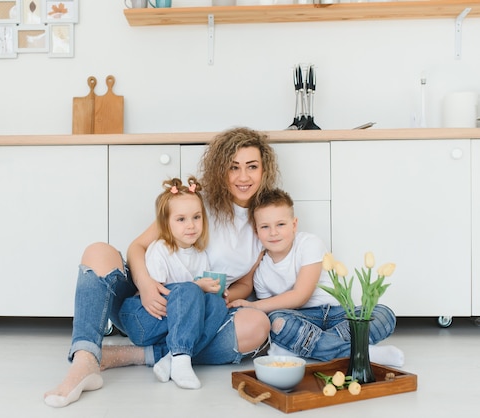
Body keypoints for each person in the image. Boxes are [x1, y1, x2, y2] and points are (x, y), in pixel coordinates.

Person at [44, 127, 279, 408]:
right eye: (234, 167)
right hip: (151, 304)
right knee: (98, 251)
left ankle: (139, 355)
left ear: (264, 171)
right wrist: (144, 285)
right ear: (220, 170)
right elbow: (137, 247)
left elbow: (246, 283)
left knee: (258, 325)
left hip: (201, 312)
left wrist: (227, 297)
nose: (243, 177)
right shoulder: (194, 203)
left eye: (252, 167)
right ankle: (85, 360)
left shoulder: (264, 223)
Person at [229, 188, 404, 367]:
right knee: (277, 322)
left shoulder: (309, 243)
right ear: (256, 231)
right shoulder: (261, 273)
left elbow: (300, 295)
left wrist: (253, 305)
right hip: (301, 318)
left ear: (294, 225)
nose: (273, 232)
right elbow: (272, 310)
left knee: (383, 314)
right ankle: (362, 353)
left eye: (281, 224)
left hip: (338, 314)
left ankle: (306, 346)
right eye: (265, 226)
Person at [118, 176, 227, 390]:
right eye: (181, 219)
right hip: (145, 318)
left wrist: (212, 291)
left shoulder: (200, 254)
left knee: (217, 304)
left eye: (196, 217)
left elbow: (193, 302)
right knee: (189, 290)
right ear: (165, 223)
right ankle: (181, 356)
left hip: (172, 327)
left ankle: (172, 357)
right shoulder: (160, 249)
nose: (191, 226)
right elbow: (162, 298)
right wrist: (197, 287)